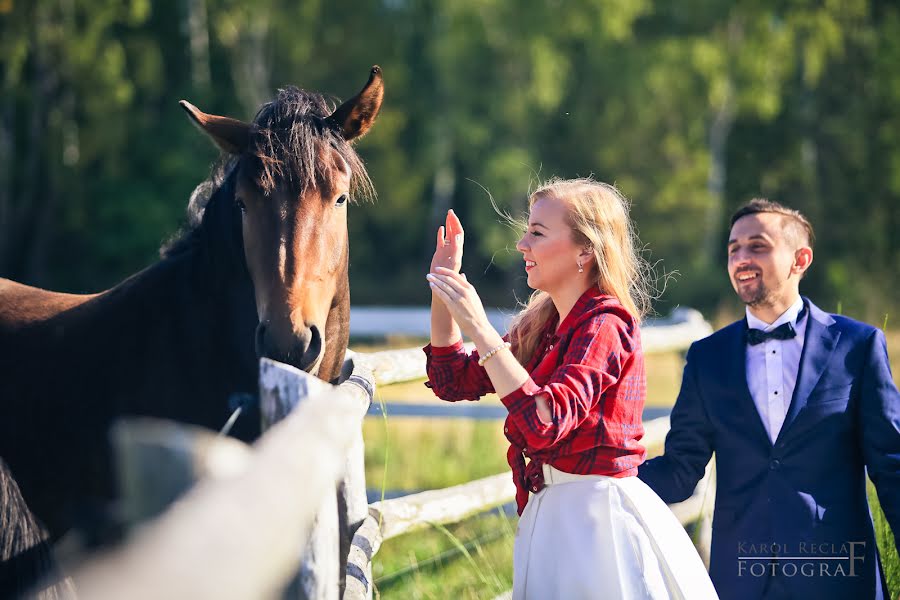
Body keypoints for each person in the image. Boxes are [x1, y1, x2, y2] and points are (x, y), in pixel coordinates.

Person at [424, 177, 717, 599]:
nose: (522, 244)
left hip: (598, 529)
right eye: (526, 231)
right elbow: (452, 379)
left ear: (586, 250)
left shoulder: (606, 325)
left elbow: (546, 421)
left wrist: (480, 329)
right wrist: (444, 287)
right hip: (552, 521)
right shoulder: (542, 325)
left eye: (537, 233)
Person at [638, 198, 900, 600]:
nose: (741, 258)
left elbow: (892, 466)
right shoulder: (707, 358)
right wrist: (602, 477)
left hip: (839, 576)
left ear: (801, 259)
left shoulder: (858, 346)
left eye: (757, 246)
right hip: (741, 579)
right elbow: (680, 469)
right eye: (733, 249)